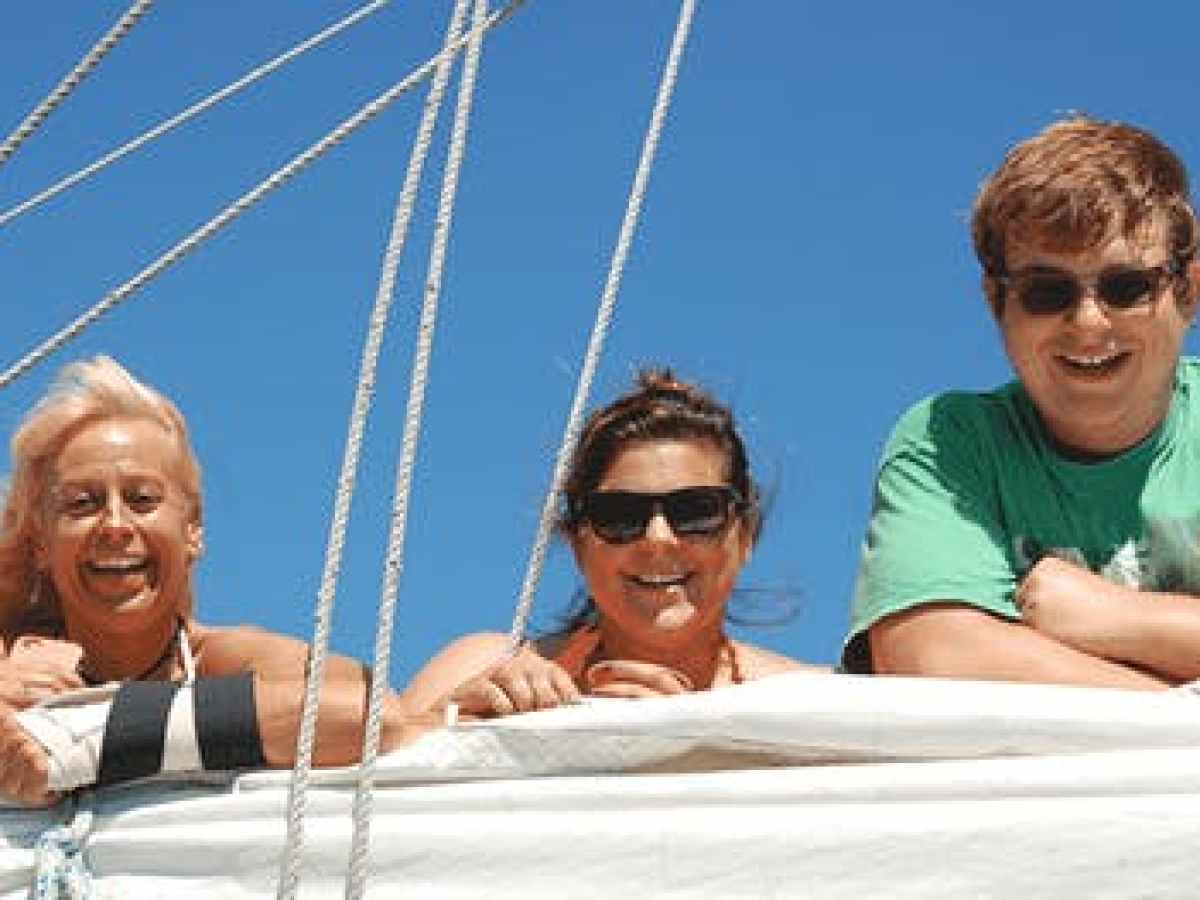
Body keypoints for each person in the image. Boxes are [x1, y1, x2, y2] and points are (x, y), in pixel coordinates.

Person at [844, 115, 1200, 690]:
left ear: (1188, 292)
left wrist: (1117, 619)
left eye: (1126, 287)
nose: (1088, 323)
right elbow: (933, 654)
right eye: (1046, 292)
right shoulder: (948, 441)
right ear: (996, 302)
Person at [0, 356, 428, 805]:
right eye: (81, 504)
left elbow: (367, 712)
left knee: (480, 651)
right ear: (40, 544)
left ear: (193, 529)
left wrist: (87, 731)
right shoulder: (13, 661)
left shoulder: (223, 658)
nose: (114, 525)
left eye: (142, 499)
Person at [402, 369, 819, 718]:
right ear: (577, 543)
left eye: (696, 511)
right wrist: (449, 725)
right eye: (620, 516)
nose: (658, 538)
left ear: (745, 536)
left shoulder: (809, 703)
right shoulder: (485, 666)